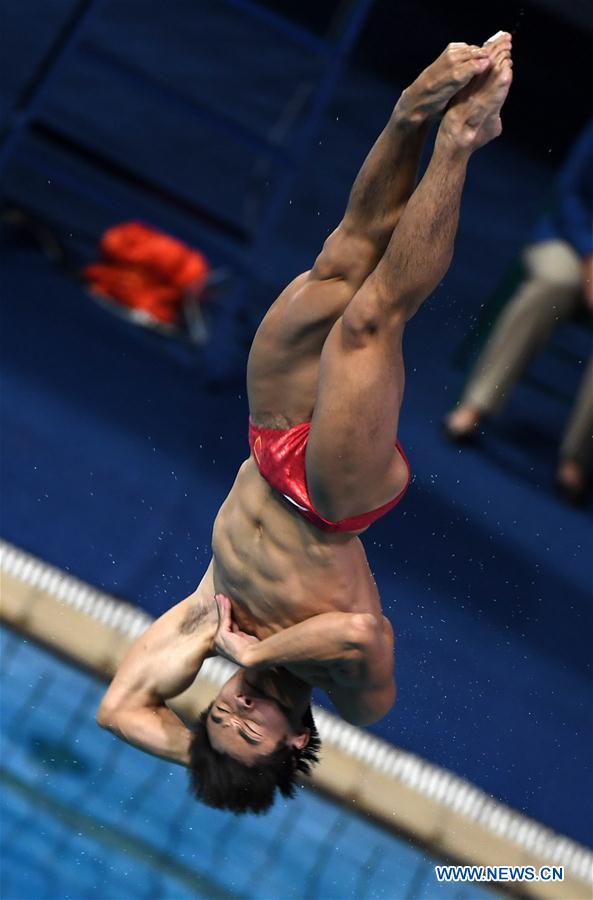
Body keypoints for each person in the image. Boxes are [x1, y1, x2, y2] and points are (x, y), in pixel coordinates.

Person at [97, 34, 514, 814]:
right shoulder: (350, 695)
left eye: (220, 710)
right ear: (295, 740)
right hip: (332, 497)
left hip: (268, 439)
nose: (237, 704)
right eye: (250, 728)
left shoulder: (198, 623)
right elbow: (357, 636)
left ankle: (409, 116)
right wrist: (256, 650)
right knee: (368, 321)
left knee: (339, 265)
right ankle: (460, 141)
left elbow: (117, 709)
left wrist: (211, 756)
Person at [443, 119, 593, 503]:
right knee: (551, 284)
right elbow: (570, 193)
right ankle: (476, 403)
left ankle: (579, 458)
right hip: (571, 242)